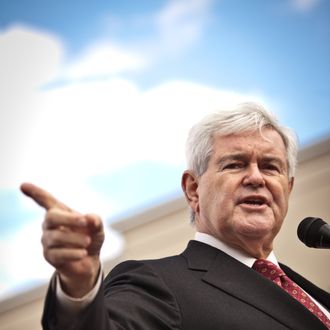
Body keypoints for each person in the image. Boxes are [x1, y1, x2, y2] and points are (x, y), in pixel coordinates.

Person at [21, 102, 330, 330]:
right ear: (193, 190)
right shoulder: (157, 285)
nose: (255, 177)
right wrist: (78, 285)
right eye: (235, 164)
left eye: (270, 166)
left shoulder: (313, 293)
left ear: (287, 188)